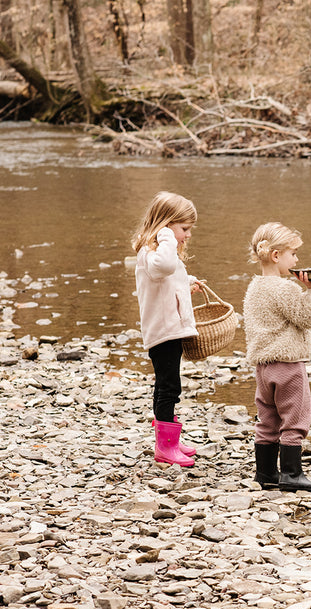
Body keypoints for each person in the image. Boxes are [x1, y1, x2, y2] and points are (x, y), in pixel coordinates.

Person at [243, 222, 311, 492]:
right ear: (277, 256)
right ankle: (291, 474)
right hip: (288, 364)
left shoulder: (254, 287)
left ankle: (266, 473)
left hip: (264, 366)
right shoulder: (285, 289)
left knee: (267, 418)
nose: (297, 260)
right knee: (294, 417)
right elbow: (306, 318)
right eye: (293, 254)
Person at [132, 191, 204, 468]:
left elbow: (166, 281)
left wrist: (187, 284)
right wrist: (165, 236)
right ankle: (165, 446)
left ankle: (171, 440)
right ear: (165, 224)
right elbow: (163, 266)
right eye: (184, 229)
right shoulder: (152, 252)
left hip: (170, 328)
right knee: (168, 387)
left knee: (170, 385)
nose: (187, 235)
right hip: (162, 332)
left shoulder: (159, 253)